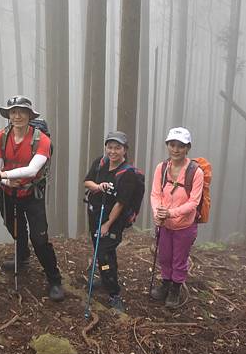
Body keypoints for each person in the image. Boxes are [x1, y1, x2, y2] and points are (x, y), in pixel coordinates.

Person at [0, 96, 64, 302]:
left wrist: (1, 177)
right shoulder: (1, 137)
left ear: (29, 115)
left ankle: (54, 279)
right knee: (15, 228)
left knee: (39, 238)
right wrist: (7, 182)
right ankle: (23, 256)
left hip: (32, 195)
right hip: (9, 193)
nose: (17, 116)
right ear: (8, 115)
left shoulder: (41, 140)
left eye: (22, 112)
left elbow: (32, 169)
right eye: (13, 112)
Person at [150, 127, 203, 308]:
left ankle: (175, 289)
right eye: (172, 145)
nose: (176, 149)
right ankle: (165, 284)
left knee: (179, 259)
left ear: (188, 148)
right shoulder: (162, 168)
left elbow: (194, 203)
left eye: (180, 146)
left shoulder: (196, 172)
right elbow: (155, 194)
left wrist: (170, 213)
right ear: (167, 145)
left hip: (184, 225)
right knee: (165, 256)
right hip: (164, 224)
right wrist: (158, 212)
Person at [84, 131, 137, 313]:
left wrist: (107, 225)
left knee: (104, 254)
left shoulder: (128, 174)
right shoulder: (100, 163)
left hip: (112, 221)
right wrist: (98, 187)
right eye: (110, 147)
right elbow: (87, 182)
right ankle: (106, 277)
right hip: (95, 215)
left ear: (125, 150)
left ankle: (114, 293)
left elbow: (121, 203)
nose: (113, 151)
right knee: (102, 251)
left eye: (117, 148)